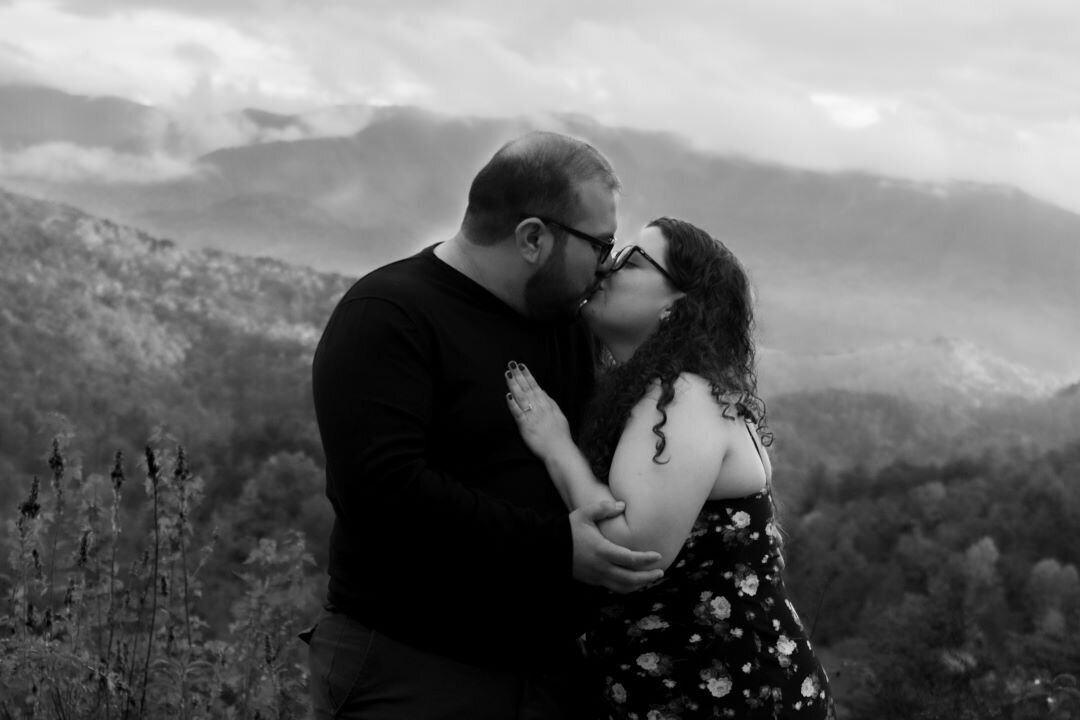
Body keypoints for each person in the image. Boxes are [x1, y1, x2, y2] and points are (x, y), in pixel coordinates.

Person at [305, 131, 665, 720]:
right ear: (532, 238)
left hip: (545, 676)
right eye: (600, 246)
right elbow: (384, 493)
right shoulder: (389, 316)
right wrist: (555, 549)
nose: (605, 268)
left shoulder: (565, 327)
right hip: (412, 669)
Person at [504, 218, 835, 719]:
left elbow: (632, 550)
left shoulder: (682, 398)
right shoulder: (657, 394)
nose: (605, 268)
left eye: (631, 261)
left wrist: (555, 447)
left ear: (676, 305)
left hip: (731, 699)